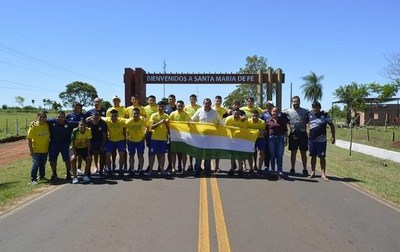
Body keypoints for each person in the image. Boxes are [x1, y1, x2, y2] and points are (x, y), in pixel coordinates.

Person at [190, 98, 222, 176]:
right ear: (203, 104)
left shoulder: (214, 112)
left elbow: (220, 122)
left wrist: (217, 126)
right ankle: (197, 169)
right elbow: (192, 119)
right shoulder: (199, 110)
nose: (207, 105)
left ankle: (207, 169)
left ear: (211, 104)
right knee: (199, 153)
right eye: (205, 103)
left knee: (208, 153)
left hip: (210, 137)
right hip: (200, 137)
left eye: (208, 103)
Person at [308, 101, 336, 181]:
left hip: (322, 140)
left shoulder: (325, 115)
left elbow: (331, 125)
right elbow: (306, 124)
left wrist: (333, 136)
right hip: (312, 140)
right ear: (312, 108)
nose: (315, 109)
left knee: (322, 157)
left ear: (320, 108)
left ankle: (323, 174)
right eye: (314, 107)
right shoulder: (309, 115)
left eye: (317, 107)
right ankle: (313, 172)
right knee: (313, 156)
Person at [284, 96, 310, 176]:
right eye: (294, 101)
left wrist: (323, 111)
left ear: (300, 102)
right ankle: (292, 168)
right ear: (292, 102)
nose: (296, 103)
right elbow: (278, 113)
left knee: (303, 153)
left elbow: (313, 113)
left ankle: (305, 169)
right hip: (293, 135)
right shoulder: (288, 111)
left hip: (303, 135)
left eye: (297, 101)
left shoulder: (305, 111)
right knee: (293, 153)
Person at [47, 111, 75, 181]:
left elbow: (80, 123)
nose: (60, 118)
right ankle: (54, 174)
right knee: (52, 160)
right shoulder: (51, 121)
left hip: (65, 144)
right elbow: (42, 120)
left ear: (65, 118)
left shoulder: (69, 123)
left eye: (62, 117)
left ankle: (68, 173)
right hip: (54, 144)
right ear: (56, 117)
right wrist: (34, 122)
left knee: (67, 159)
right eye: (58, 117)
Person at [148, 101, 170, 177]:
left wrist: (167, 123)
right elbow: (151, 127)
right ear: (157, 107)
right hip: (154, 138)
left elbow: (169, 128)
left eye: (162, 107)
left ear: (164, 108)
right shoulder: (153, 115)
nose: (160, 108)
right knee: (152, 155)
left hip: (163, 139)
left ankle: (162, 170)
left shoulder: (167, 116)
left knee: (162, 155)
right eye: (159, 107)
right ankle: (150, 170)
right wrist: (160, 122)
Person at [27, 111, 50, 185]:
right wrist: (31, 150)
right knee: (36, 163)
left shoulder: (47, 125)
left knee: (43, 163)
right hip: (36, 149)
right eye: (40, 117)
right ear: (37, 118)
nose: (42, 118)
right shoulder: (33, 126)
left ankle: (42, 176)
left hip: (45, 148)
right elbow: (29, 139)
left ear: (46, 118)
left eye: (44, 117)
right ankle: (33, 178)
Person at [225, 109, 249, 176]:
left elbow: (245, 130)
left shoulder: (243, 121)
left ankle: (240, 169)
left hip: (240, 140)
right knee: (232, 156)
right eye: (235, 114)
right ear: (232, 114)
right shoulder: (229, 119)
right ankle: (232, 168)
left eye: (238, 114)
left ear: (240, 115)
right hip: (231, 139)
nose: (236, 115)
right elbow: (225, 129)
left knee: (240, 155)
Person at [103, 109, 127, 177]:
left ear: (118, 116)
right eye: (112, 116)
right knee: (107, 154)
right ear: (110, 116)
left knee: (122, 154)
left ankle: (120, 170)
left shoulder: (122, 120)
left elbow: (130, 119)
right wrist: (89, 118)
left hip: (120, 140)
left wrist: (141, 117)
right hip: (110, 140)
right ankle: (110, 170)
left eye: (115, 116)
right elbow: (99, 117)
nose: (113, 117)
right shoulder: (107, 120)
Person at [169, 100, 191, 174]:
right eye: (178, 106)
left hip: (184, 137)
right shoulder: (172, 114)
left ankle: (184, 168)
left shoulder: (186, 114)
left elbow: (191, 123)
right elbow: (169, 124)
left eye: (181, 106)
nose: (180, 107)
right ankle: (173, 168)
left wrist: (189, 123)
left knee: (184, 153)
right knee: (174, 153)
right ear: (176, 106)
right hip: (175, 136)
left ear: (183, 106)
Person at [266, 107, 288, 178]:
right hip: (271, 139)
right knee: (272, 155)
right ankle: (272, 170)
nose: (275, 113)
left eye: (276, 111)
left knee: (279, 155)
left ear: (278, 112)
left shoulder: (282, 121)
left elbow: (285, 131)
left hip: (280, 139)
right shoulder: (268, 121)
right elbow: (266, 131)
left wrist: (286, 139)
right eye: (273, 111)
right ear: (271, 112)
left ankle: (280, 170)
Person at [125, 108, 148, 176]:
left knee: (140, 155)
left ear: (139, 114)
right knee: (131, 155)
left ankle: (140, 170)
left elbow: (148, 127)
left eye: (137, 113)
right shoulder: (129, 121)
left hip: (140, 141)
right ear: (132, 114)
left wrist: (144, 136)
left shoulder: (142, 121)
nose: (136, 115)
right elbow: (125, 129)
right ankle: (132, 170)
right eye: (134, 113)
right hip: (131, 141)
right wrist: (127, 138)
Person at [66, 102, 86, 175]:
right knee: (72, 154)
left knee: (80, 154)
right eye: (75, 107)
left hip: (81, 138)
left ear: (80, 108)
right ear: (73, 107)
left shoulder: (83, 116)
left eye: (78, 107)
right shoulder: (68, 115)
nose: (76, 108)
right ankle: (71, 169)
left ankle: (79, 169)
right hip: (71, 138)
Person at [70, 120, 92, 184]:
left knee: (89, 159)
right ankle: (75, 177)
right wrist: (74, 153)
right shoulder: (75, 131)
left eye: (84, 125)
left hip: (84, 147)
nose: (82, 126)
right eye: (81, 125)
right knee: (73, 159)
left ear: (86, 126)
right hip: (75, 147)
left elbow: (88, 142)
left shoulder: (88, 130)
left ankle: (85, 175)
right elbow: (72, 142)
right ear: (78, 126)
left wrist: (88, 154)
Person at [86, 111, 107, 176]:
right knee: (88, 155)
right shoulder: (88, 123)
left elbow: (104, 136)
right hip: (90, 142)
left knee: (103, 152)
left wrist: (102, 147)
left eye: (97, 118)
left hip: (100, 142)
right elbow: (86, 136)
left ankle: (101, 170)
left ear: (99, 118)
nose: (95, 119)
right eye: (94, 118)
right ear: (91, 118)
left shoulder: (103, 123)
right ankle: (88, 171)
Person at [184, 94, 201, 171]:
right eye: (191, 99)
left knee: (197, 148)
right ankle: (190, 164)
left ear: (196, 100)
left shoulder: (199, 107)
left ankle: (197, 165)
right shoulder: (186, 107)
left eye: (194, 99)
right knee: (190, 148)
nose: (192, 100)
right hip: (189, 130)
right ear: (189, 99)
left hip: (198, 131)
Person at [212, 95, 228, 172]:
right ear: (214, 101)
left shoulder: (224, 110)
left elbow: (228, 116)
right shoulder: (211, 109)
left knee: (217, 150)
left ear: (221, 102)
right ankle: (206, 166)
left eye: (219, 101)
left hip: (219, 132)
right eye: (217, 101)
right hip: (211, 131)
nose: (218, 102)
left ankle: (217, 166)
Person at [248, 109, 266, 174]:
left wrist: (255, 131)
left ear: (258, 116)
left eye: (256, 116)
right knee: (250, 153)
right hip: (251, 139)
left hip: (260, 138)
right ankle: (251, 168)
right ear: (251, 116)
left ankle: (259, 168)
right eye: (253, 116)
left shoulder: (262, 122)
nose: (255, 117)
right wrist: (257, 131)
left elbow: (263, 132)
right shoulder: (248, 121)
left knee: (261, 153)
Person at [259, 101, 274, 172]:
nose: (269, 107)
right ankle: (266, 166)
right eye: (268, 106)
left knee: (274, 152)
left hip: (274, 136)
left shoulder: (276, 113)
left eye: (270, 105)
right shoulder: (263, 114)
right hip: (266, 136)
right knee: (267, 152)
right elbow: (259, 122)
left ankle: (273, 167)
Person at [164, 94, 177, 172]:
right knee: (169, 151)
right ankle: (169, 165)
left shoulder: (178, 107)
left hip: (177, 132)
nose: (171, 100)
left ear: (175, 100)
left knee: (178, 150)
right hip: (167, 132)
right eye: (170, 99)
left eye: (172, 99)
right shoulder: (166, 108)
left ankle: (178, 165)